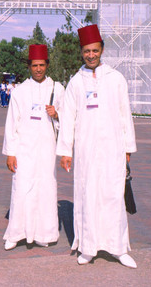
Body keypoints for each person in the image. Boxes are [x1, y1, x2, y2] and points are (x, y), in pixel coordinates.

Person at [56, 24, 137, 268]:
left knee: (113, 197)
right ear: (81, 52)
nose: (91, 55)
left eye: (95, 50)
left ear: (102, 50)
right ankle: (88, 247)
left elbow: (125, 114)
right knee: (87, 195)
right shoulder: (75, 82)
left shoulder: (116, 79)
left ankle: (118, 248)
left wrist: (127, 148)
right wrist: (65, 152)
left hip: (113, 150)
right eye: (86, 51)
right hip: (86, 151)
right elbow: (67, 118)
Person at [2, 44, 65, 250]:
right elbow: (12, 123)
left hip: (47, 150)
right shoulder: (20, 91)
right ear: (29, 66)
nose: (38, 69)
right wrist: (11, 153)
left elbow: (69, 120)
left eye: (42, 65)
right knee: (21, 187)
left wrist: (57, 115)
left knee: (45, 188)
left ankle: (43, 233)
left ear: (47, 65)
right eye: (34, 65)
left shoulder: (58, 89)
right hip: (24, 149)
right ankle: (16, 233)